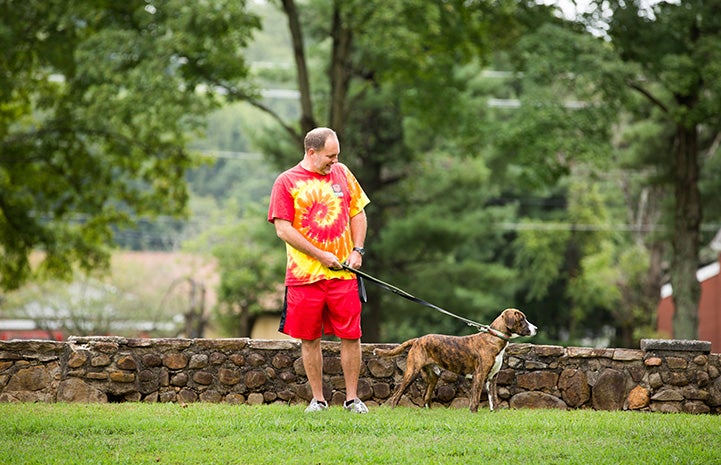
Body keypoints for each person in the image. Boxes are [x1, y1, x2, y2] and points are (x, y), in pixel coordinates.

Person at [267, 127, 370, 413]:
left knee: (351, 335)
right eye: (330, 156)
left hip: (344, 275)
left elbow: (357, 212)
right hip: (304, 277)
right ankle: (318, 400)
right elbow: (283, 229)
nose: (335, 161)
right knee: (310, 338)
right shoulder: (286, 181)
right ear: (311, 153)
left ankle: (352, 399)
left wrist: (357, 251)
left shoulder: (342, 173)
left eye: (337, 155)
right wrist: (320, 255)